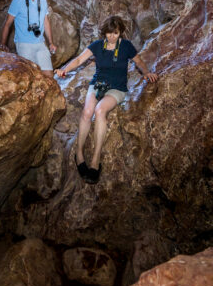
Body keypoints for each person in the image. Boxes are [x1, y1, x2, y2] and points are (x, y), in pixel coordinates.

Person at [55, 16, 158, 184]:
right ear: (104, 32)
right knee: (87, 112)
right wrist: (64, 69)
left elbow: (138, 61)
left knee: (100, 110)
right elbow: (80, 59)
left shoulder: (126, 46)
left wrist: (146, 73)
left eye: (115, 33)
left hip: (117, 87)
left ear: (120, 33)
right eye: (109, 33)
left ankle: (95, 161)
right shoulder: (97, 45)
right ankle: (79, 154)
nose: (111, 37)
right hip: (98, 84)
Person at [0, 0, 57, 76]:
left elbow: (46, 22)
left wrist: (51, 43)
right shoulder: (18, 0)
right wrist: (3, 44)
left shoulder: (42, 0)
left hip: (40, 43)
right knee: (32, 76)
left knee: (49, 77)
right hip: (24, 44)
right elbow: (7, 24)